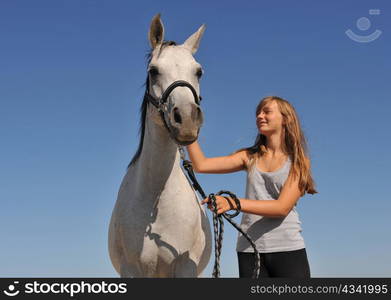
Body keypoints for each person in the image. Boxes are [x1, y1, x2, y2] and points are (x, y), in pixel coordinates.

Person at [186, 96, 317, 278]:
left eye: (267, 112)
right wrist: (187, 130)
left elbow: (282, 208)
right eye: (258, 113)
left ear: (285, 118)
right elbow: (201, 165)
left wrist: (233, 203)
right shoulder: (249, 156)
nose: (260, 116)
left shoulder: (298, 162)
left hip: (287, 247)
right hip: (249, 249)